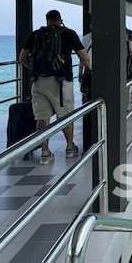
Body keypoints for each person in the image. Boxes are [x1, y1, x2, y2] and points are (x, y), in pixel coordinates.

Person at [19, 10, 90, 165]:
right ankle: (70, 148)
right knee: (65, 115)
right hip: (61, 82)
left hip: (38, 80)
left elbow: (22, 58)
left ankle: (45, 152)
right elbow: (84, 57)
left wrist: (34, 69)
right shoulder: (69, 33)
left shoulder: (36, 34)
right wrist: (88, 70)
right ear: (60, 20)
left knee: (42, 116)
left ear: (47, 20)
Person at [79, 26, 93, 103]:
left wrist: (80, 73)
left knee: (88, 95)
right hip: (97, 74)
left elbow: (83, 58)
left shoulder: (86, 38)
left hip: (89, 73)